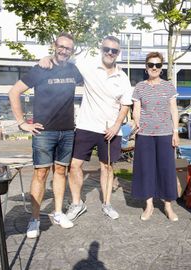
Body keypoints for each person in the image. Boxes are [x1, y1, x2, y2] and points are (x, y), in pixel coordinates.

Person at [39, 36, 133, 221]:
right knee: (74, 165)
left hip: (110, 129)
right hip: (86, 126)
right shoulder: (88, 66)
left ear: (118, 53)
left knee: (107, 167)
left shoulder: (123, 77)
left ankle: (107, 203)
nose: (109, 53)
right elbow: (63, 57)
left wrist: (116, 126)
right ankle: (77, 203)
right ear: (101, 49)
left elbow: (125, 104)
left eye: (114, 50)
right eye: (106, 48)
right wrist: (47, 58)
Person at [8, 33, 84, 238]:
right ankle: (34, 219)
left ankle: (58, 213)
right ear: (54, 45)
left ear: (72, 50)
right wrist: (22, 123)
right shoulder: (41, 68)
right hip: (44, 131)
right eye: (61, 46)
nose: (63, 50)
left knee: (60, 172)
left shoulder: (73, 69)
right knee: (40, 174)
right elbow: (14, 92)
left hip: (67, 130)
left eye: (68, 48)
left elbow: (91, 79)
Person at [131, 52, 180, 221]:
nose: (154, 68)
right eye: (151, 65)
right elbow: (136, 110)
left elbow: (174, 110)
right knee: (146, 170)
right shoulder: (139, 87)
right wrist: (136, 122)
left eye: (158, 65)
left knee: (166, 170)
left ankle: (168, 206)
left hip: (165, 133)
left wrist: (175, 132)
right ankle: (149, 205)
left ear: (162, 68)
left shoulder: (169, 87)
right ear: (146, 67)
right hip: (144, 134)